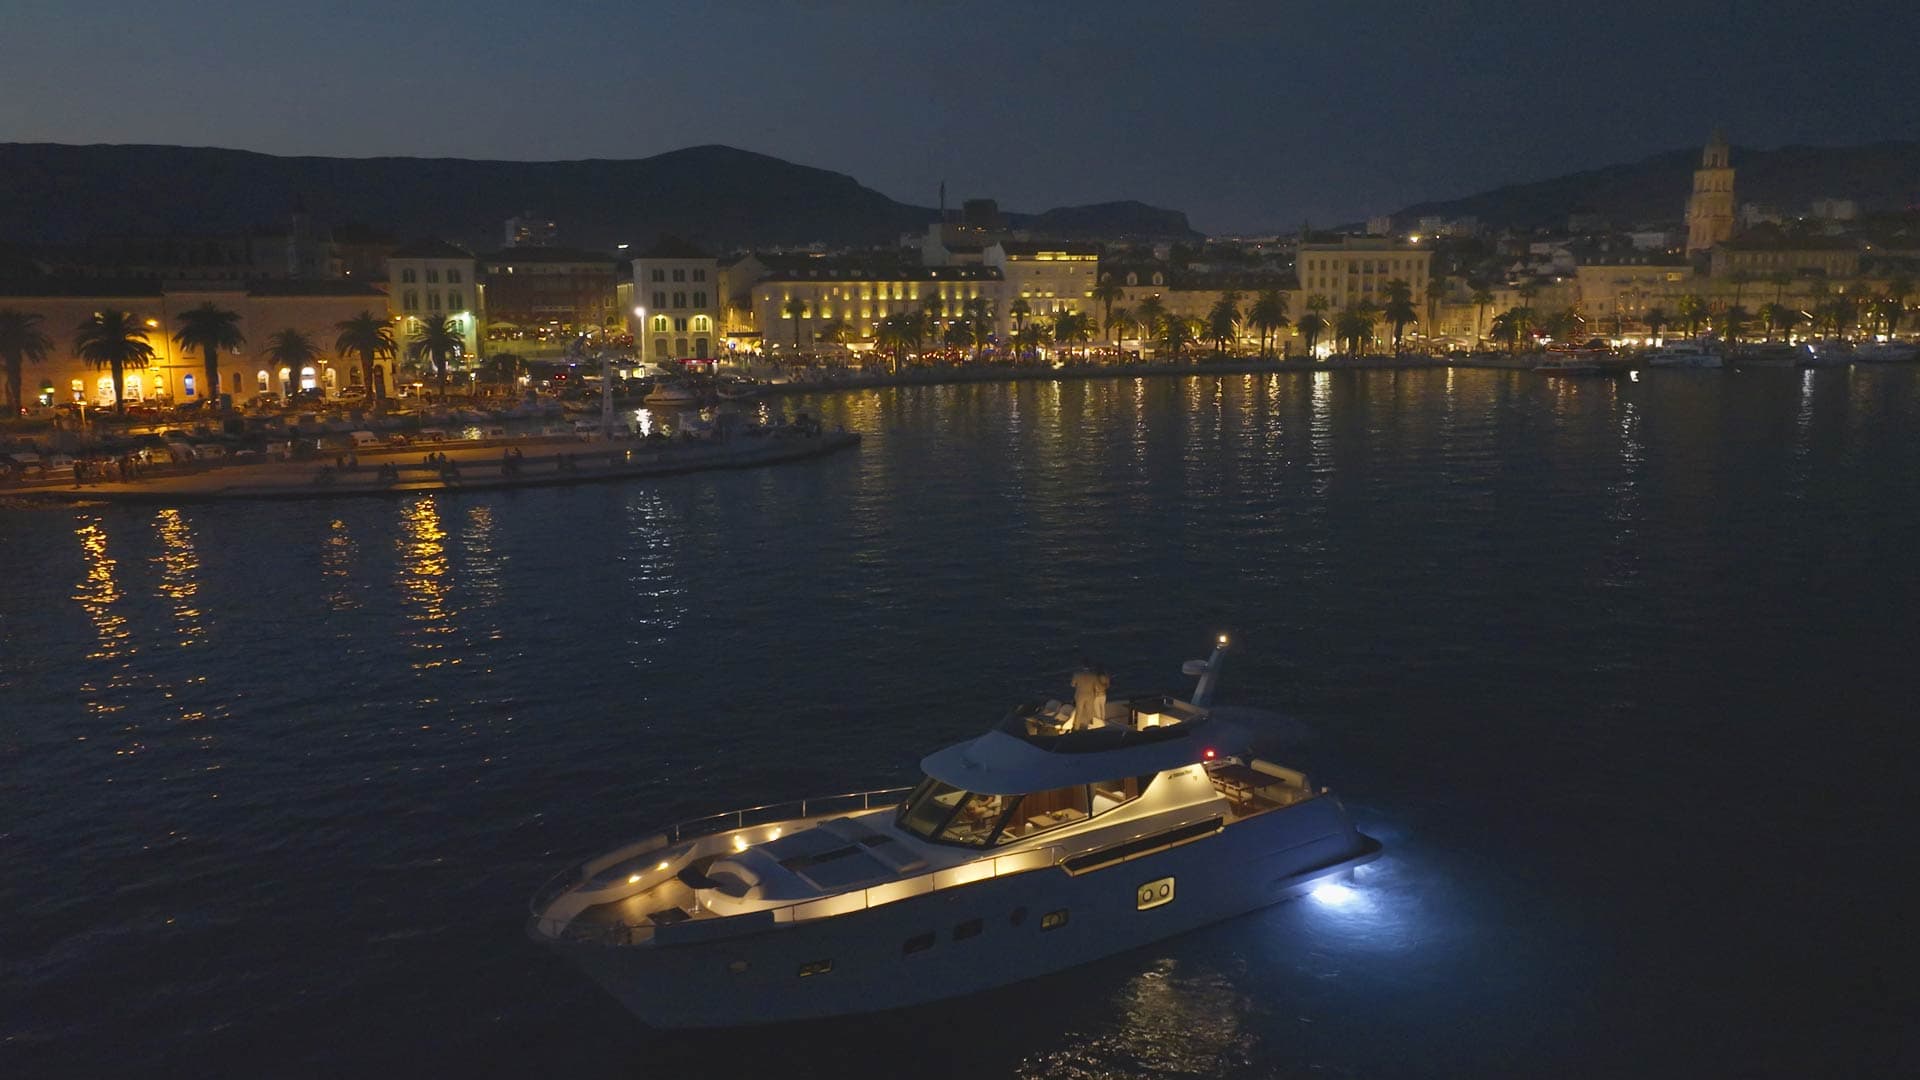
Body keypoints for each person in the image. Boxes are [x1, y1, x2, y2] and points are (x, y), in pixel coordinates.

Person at [1070, 658, 1110, 731]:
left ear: (1082, 666)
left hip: (1080, 696)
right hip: (1090, 696)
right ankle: (1090, 727)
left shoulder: (1077, 674)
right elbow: (1099, 686)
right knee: (1090, 712)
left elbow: (1072, 684)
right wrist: (1105, 686)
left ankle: (1076, 727)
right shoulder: (1093, 675)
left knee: (1079, 711)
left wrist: (1079, 686)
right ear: (1089, 667)